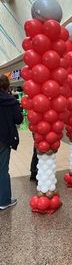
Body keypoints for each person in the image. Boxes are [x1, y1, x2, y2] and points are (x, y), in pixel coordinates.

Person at [0, 74, 23, 210]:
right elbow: (19, 119)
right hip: (4, 139)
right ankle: (4, 201)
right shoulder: (11, 100)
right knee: (2, 170)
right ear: (7, 85)